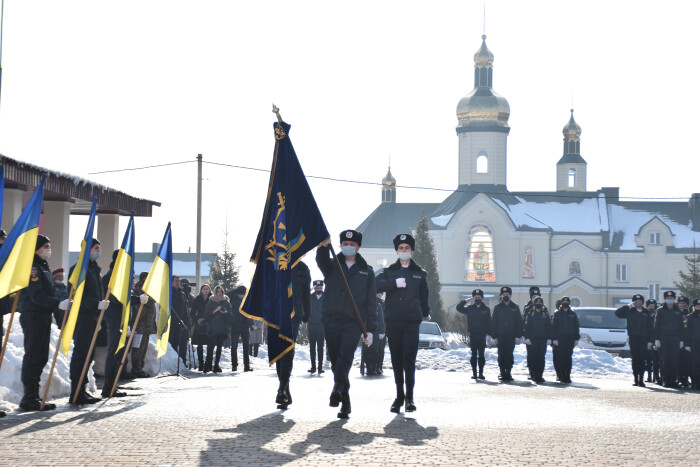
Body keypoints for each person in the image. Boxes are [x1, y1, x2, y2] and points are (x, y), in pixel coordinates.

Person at [316, 230, 377, 419]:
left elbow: (371, 303)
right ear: (340, 245)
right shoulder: (332, 265)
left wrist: (371, 330)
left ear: (358, 247)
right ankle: (346, 400)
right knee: (336, 362)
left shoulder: (367, 272)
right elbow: (320, 259)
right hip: (332, 319)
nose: (348, 247)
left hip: (353, 322)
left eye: (352, 244)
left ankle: (336, 388)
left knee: (345, 356)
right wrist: (323, 244)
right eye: (345, 243)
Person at [375, 233, 429, 413]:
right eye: (401, 249)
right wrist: (393, 283)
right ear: (397, 251)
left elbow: (424, 296)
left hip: (412, 321)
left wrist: (426, 313)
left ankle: (410, 398)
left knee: (409, 360)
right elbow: (376, 286)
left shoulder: (419, 273)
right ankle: (399, 397)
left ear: (412, 251)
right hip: (393, 320)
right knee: (397, 360)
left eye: (407, 248)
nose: (404, 251)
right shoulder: (389, 271)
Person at [17, 235, 72, 411]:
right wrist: (57, 303)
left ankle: (34, 396)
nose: (49, 249)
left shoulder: (43, 267)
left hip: (43, 316)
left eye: (49, 245)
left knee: (41, 356)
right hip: (33, 316)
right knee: (33, 356)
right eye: (46, 246)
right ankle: (29, 397)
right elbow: (36, 295)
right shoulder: (33, 268)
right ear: (36, 248)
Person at [68, 238, 108, 404]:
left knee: (88, 355)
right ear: (87, 250)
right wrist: (95, 304)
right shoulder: (79, 270)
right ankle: (76, 392)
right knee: (81, 354)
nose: (99, 251)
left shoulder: (94, 270)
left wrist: (99, 312)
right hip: (82, 316)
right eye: (96, 248)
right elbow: (77, 296)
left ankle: (82, 389)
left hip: (92, 317)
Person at [275, 260, 311, 409]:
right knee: (279, 353)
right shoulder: (274, 264)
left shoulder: (303, 268)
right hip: (275, 315)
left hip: (293, 317)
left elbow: (306, 295)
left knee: (288, 351)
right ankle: (285, 389)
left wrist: (306, 317)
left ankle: (282, 389)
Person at [100, 250, 131, 398]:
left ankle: (112, 385)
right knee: (114, 352)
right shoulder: (112, 275)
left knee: (118, 353)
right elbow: (116, 297)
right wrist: (134, 300)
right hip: (114, 317)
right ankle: (108, 387)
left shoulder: (119, 274)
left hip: (120, 317)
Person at [615, 294, 653, 387]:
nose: (638, 302)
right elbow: (617, 313)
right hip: (633, 338)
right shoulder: (630, 311)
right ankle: (636, 379)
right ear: (633, 302)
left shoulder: (646, 312)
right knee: (635, 359)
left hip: (644, 339)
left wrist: (650, 341)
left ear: (642, 302)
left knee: (642, 359)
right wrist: (627, 306)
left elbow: (650, 328)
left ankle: (641, 379)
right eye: (636, 301)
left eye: (640, 300)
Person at [456, 289, 491, 380]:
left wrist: (488, 334)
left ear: (482, 298)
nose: (477, 299)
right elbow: (458, 308)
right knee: (474, 355)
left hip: (482, 335)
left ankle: (481, 373)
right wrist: (466, 300)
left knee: (482, 355)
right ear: (473, 298)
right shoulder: (470, 308)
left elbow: (489, 323)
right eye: (475, 297)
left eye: (479, 297)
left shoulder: (486, 309)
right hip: (473, 335)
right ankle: (474, 373)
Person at [654, 291, 685, 388]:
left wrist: (681, 340)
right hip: (663, 338)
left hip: (676, 338)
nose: (670, 299)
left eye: (672, 298)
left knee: (674, 360)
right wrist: (657, 339)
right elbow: (657, 325)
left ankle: (673, 380)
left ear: (674, 299)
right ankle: (666, 380)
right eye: (668, 298)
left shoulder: (679, 311)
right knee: (665, 360)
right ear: (665, 299)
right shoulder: (660, 310)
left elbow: (681, 326)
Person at [491, 286, 522, 382]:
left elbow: (519, 323)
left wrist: (518, 336)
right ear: (501, 296)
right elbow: (493, 323)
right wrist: (494, 337)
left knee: (509, 355)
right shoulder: (497, 308)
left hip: (511, 336)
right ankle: (502, 372)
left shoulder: (515, 307)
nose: (505, 296)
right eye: (504, 295)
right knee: (501, 355)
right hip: (500, 336)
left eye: (507, 294)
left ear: (510, 296)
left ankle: (508, 372)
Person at [130, 272, 156, 378]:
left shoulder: (148, 290)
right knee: (138, 348)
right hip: (140, 324)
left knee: (144, 347)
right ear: (144, 279)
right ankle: (136, 369)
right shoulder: (139, 289)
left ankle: (140, 367)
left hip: (147, 324)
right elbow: (150, 301)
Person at [550, 297, 580, 384]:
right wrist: (554, 339)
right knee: (561, 358)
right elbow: (554, 327)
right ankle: (561, 375)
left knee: (568, 358)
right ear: (561, 303)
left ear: (569, 303)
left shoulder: (573, 314)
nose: (565, 303)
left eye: (567, 301)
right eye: (564, 301)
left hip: (570, 339)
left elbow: (576, 327)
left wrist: (576, 338)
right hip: (560, 339)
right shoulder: (557, 314)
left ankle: (567, 376)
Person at [205, 285, 232, 373]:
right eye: (218, 291)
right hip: (212, 328)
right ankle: (207, 364)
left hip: (222, 328)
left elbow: (231, 316)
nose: (219, 293)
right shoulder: (211, 301)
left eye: (221, 292)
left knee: (219, 348)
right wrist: (215, 310)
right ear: (215, 292)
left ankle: (216, 364)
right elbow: (206, 315)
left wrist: (226, 313)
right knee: (210, 347)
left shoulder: (226, 302)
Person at [522, 286, 547, 380]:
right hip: (531, 337)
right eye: (533, 297)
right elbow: (524, 323)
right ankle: (532, 372)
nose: (535, 299)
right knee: (531, 356)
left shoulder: (545, 310)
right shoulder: (527, 308)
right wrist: (525, 336)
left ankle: (539, 374)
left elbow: (548, 324)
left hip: (542, 337)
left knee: (540, 357)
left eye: (537, 296)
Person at [228, 285, 253, 372]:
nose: (241, 295)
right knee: (234, 346)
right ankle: (234, 365)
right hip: (235, 325)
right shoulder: (233, 298)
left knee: (246, 347)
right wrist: (235, 290)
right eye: (240, 293)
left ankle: (246, 366)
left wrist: (251, 324)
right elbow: (227, 295)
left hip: (245, 325)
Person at [362, 293, 386, 377]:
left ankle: (374, 368)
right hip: (366, 331)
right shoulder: (364, 306)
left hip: (376, 331)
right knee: (367, 351)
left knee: (375, 351)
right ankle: (368, 368)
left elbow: (381, 319)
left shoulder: (378, 306)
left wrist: (382, 332)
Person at [169, 275, 189, 366]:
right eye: (176, 281)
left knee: (182, 344)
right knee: (172, 344)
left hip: (181, 323)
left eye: (179, 281)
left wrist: (187, 322)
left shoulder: (182, 294)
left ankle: (182, 362)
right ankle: (172, 363)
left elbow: (185, 310)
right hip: (171, 323)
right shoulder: (168, 293)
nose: (178, 282)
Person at [191, 284, 212, 371]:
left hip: (210, 322)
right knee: (200, 344)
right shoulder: (197, 299)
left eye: (207, 289)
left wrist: (205, 318)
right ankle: (201, 364)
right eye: (204, 289)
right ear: (201, 290)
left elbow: (213, 312)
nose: (206, 290)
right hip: (199, 323)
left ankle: (208, 364)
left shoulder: (212, 299)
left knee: (210, 344)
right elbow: (192, 313)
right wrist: (197, 320)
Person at [307, 279, 326, 374]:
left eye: (320, 287)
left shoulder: (326, 297)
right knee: (312, 347)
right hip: (311, 324)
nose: (319, 289)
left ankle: (320, 367)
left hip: (321, 326)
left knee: (320, 347)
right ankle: (313, 367)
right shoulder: (310, 297)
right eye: (317, 288)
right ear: (314, 288)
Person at [684, 299, 700, 389]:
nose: (699, 307)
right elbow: (687, 332)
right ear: (694, 307)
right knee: (694, 364)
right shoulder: (690, 317)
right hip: (694, 343)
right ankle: (695, 382)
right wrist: (687, 344)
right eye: (697, 306)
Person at [677, 296, 691, 388]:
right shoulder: (676, 313)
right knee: (678, 361)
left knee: (687, 362)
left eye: (683, 303)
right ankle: (679, 379)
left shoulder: (690, 314)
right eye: (680, 303)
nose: (682, 305)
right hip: (677, 341)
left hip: (688, 342)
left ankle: (686, 379)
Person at [645, 299, 660, 384]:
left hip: (656, 340)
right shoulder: (645, 315)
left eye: (653, 306)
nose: (651, 307)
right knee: (648, 360)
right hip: (648, 340)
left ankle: (656, 377)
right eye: (650, 306)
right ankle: (649, 377)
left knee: (656, 360)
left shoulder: (658, 315)